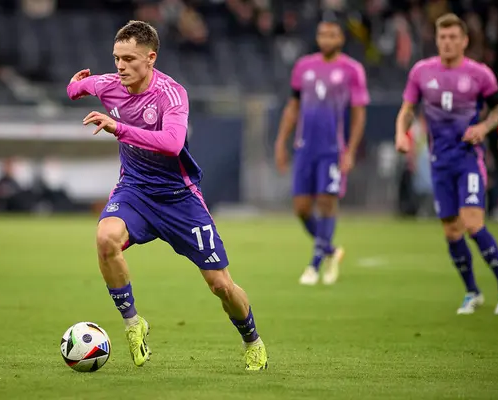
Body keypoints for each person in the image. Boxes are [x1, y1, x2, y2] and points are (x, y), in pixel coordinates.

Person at [66, 20, 267, 370]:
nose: (120, 66)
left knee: (221, 285)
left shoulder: (171, 94)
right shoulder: (110, 85)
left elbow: (173, 144)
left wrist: (119, 128)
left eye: (129, 59)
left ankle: (252, 340)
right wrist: (74, 85)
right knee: (105, 238)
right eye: (116, 58)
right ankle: (133, 324)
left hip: (180, 199)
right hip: (135, 192)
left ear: (151, 58)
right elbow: (78, 89)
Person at [395, 13, 498, 315]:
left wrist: (484, 128)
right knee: (451, 230)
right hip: (439, 163)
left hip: (468, 160)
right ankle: (472, 292)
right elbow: (408, 108)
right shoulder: (422, 72)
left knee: (473, 222)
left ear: (464, 41)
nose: (447, 42)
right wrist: (401, 133)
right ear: (436, 40)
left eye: (453, 37)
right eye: (442, 37)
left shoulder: (479, 74)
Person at [274, 17, 369, 286]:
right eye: (322, 34)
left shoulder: (352, 70)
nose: (327, 39)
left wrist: (350, 150)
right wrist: (281, 142)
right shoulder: (304, 66)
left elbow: (359, 114)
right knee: (302, 209)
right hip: (305, 149)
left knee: (327, 203)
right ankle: (331, 250)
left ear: (341, 38)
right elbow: (293, 107)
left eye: (332, 35)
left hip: (332, 150)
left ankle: (314, 265)